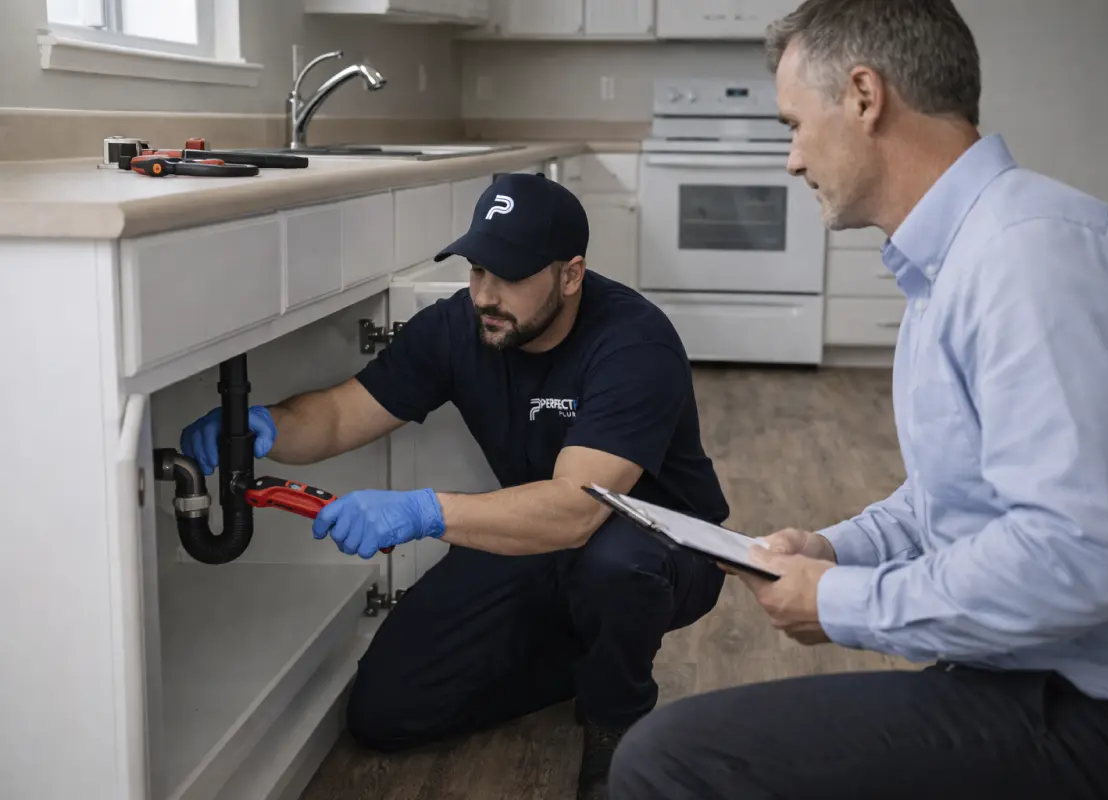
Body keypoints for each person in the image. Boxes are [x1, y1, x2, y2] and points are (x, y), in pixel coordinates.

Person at [608, 0, 1108, 797]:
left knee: (669, 759)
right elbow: (955, 499)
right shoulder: (962, 262)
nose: (791, 160)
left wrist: (843, 603)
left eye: (793, 124)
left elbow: (1081, 560)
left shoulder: (1034, 263)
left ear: (863, 96)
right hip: (1039, 679)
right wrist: (835, 551)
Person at [179, 172, 729, 800]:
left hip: (656, 542)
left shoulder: (634, 342)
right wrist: (260, 429)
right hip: (534, 533)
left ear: (571, 275)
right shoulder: (459, 327)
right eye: (477, 271)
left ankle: (616, 720)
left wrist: (422, 511)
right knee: (386, 713)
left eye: (511, 277)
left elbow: (578, 510)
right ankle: (585, 656)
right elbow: (340, 413)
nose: (486, 296)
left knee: (613, 564)